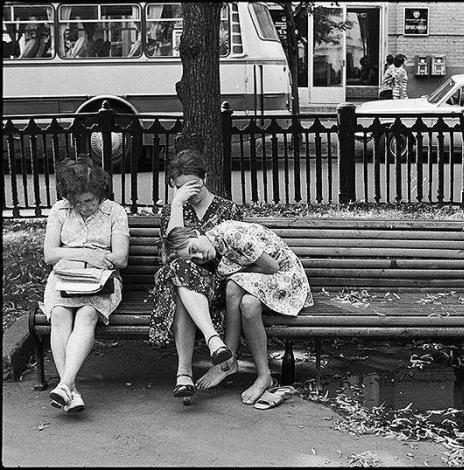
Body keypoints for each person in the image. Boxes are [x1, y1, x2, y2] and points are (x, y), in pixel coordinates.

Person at [163, 220, 314, 405]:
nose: (200, 256)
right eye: (193, 258)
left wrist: (237, 274)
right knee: (248, 304)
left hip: (287, 277)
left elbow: (272, 267)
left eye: (194, 248)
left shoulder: (232, 235)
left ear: (196, 232)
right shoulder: (215, 250)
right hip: (263, 283)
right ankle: (263, 376)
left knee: (233, 285)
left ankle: (228, 360)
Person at [149, 149, 243, 400]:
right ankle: (212, 343)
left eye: (193, 185)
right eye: (180, 187)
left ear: (206, 178)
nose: (189, 192)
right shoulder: (173, 210)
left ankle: (184, 373)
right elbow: (169, 258)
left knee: (183, 282)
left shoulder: (227, 209)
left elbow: (236, 259)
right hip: (178, 283)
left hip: (218, 285)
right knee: (181, 274)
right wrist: (177, 204)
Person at [42, 158, 130, 413]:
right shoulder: (60, 210)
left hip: (100, 280)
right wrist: (85, 254)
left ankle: (65, 383)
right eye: (77, 202)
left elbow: (120, 258)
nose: (84, 207)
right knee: (59, 315)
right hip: (65, 278)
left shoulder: (115, 212)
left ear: (100, 195)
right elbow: (49, 254)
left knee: (87, 314)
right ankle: (71, 390)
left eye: (90, 201)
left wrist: (92, 259)